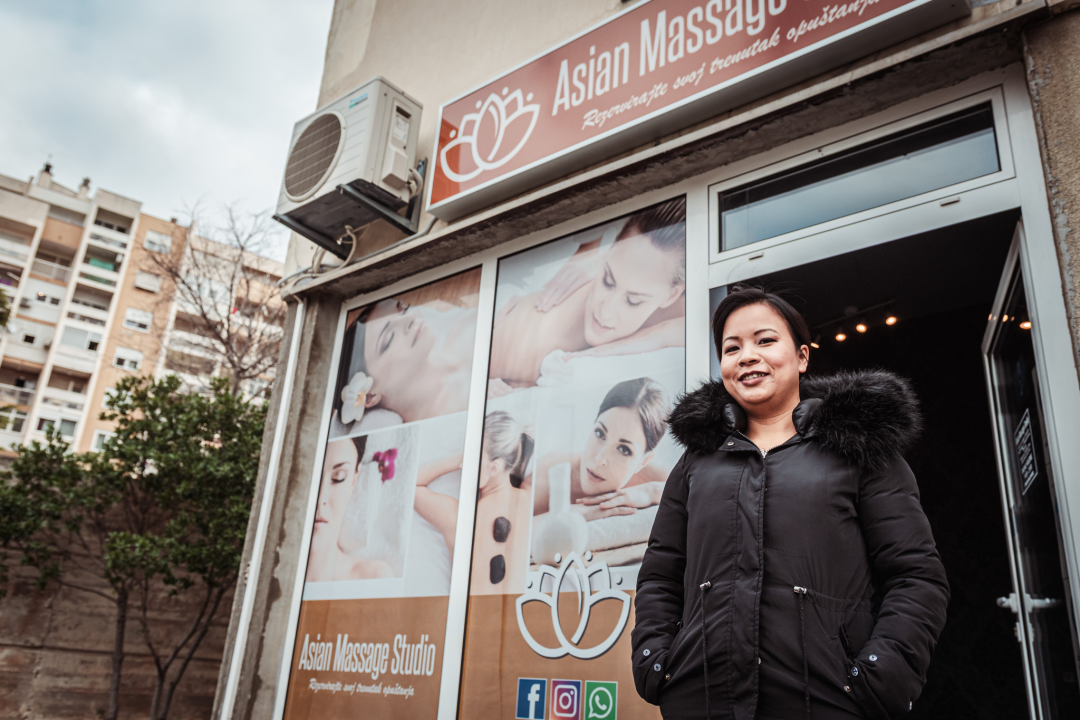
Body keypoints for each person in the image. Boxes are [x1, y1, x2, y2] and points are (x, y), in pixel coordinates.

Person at [631, 287, 949, 720]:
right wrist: (657, 662)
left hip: (828, 700)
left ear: (801, 357)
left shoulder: (859, 449)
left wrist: (880, 676)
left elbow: (915, 577)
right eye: (732, 347)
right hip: (700, 700)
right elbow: (660, 575)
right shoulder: (697, 462)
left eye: (764, 341)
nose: (746, 356)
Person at [488, 198, 687, 394]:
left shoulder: (683, 307)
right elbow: (463, 365)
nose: (604, 313)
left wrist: (662, 335)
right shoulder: (545, 328)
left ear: (671, 296)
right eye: (607, 281)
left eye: (633, 302)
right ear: (609, 251)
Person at [412, 411, 534, 595]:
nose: (466, 464)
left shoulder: (459, 519)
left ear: (494, 468)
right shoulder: (528, 497)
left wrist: (456, 459)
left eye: (474, 455)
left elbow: (414, 485)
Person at [528, 377, 672, 520]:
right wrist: (580, 512)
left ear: (643, 462)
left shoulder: (655, 480)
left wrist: (651, 492)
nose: (599, 460)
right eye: (600, 433)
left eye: (624, 450)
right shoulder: (547, 476)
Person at [332, 297, 477, 432]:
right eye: (389, 338)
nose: (410, 318)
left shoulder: (468, 328)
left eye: (403, 309)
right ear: (369, 397)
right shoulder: (446, 424)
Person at [306, 436, 393, 582]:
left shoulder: (373, 578)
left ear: (354, 478)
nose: (321, 499)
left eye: (338, 477)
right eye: (312, 479)